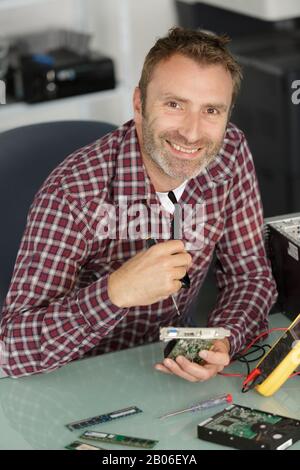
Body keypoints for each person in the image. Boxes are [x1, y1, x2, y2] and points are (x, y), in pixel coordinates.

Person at [0, 27, 277, 379]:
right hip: (72, 377)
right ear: (139, 104)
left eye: (211, 110)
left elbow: (249, 276)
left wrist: (221, 341)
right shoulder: (74, 193)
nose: (192, 133)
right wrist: (115, 292)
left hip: (166, 371)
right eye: (174, 104)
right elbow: (10, 350)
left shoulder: (229, 152)